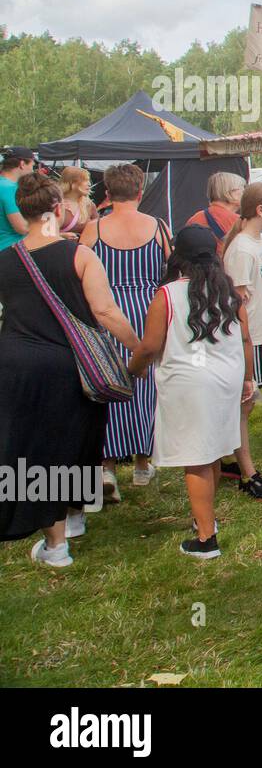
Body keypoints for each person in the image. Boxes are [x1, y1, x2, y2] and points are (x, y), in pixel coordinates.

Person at [0, 174, 139, 565]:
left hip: (15, 365)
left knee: (30, 449)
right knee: (74, 442)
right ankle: (71, 520)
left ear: (24, 212)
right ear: (59, 211)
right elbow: (106, 311)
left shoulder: (5, 261)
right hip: (68, 365)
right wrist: (139, 351)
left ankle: (56, 542)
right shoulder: (79, 255)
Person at [127, 227, 252, 559]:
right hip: (226, 377)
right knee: (210, 450)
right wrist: (249, 379)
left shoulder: (167, 294)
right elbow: (244, 339)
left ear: (177, 256)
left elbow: (150, 345)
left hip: (190, 381)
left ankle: (206, 540)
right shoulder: (229, 292)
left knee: (195, 457)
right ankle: (204, 520)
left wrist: (132, 367)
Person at [80, 163, 170, 498]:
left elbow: (79, 270)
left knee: (108, 383)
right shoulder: (158, 226)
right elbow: (170, 268)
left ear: (107, 191)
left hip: (108, 311)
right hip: (150, 309)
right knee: (147, 385)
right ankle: (143, 462)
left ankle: (106, 467)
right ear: (139, 191)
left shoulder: (94, 229)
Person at [222, 182, 262, 501]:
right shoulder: (242, 248)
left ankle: (231, 460)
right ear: (259, 210)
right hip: (252, 336)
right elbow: (238, 303)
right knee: (243, 405)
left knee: (245, 404)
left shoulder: (259, 240)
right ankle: (247, 472)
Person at [186, 171, 246, 257]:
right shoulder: (239, 221)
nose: (244, 192)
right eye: (242, 188)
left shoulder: (195, 219)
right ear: (229, 193)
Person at [0, 146, 37, 252]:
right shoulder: (10, 188)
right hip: (9, 251)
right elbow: (22, 228)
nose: (32, 170)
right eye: (32, 165)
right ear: (22, 164)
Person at [57, 167, 97, 238]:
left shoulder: (89, 205)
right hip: (59, 247)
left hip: (82, 247)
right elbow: (42, 232)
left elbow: (98, 230)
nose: (89, 184)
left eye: (88, 180)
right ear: (72, 183)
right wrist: (62, 235)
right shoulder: (56, 203)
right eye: (85, 180)